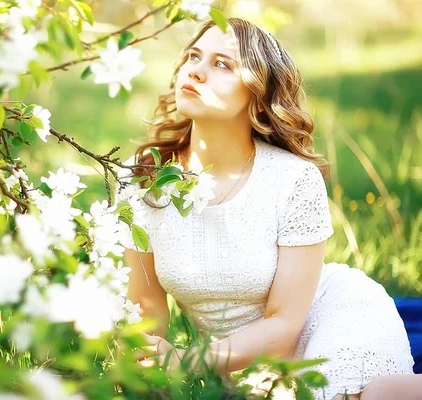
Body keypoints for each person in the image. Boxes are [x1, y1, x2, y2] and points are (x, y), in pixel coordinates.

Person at [119, 18, 420, 400]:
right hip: (233, 363)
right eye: (194, 56)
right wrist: (143, 368)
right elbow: (147, 305)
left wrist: (186, 360)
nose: (195, 69)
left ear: (257, 94)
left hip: (328, 318)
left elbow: (283, 326)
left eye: (222, 64)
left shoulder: (293, 179)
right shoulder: (145, 177)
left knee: (360, 396)